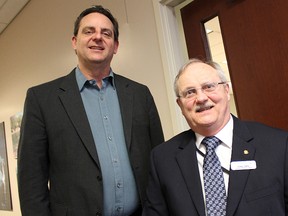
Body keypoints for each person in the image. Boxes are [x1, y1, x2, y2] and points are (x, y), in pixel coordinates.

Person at [17, 5, 164, 216]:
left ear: (115, 46)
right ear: (74, 42)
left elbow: (158, 161)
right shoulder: (41, 99)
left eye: (106, 33)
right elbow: (31, 181)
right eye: (89, 31)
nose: (98, 37)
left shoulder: (140, 94)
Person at [143, 58, 288, 216]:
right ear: (180, 105)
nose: (201, 98)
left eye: (209, 87)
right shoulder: (162, 159)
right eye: (190, 92)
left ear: (226, 90)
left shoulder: (278, 145)